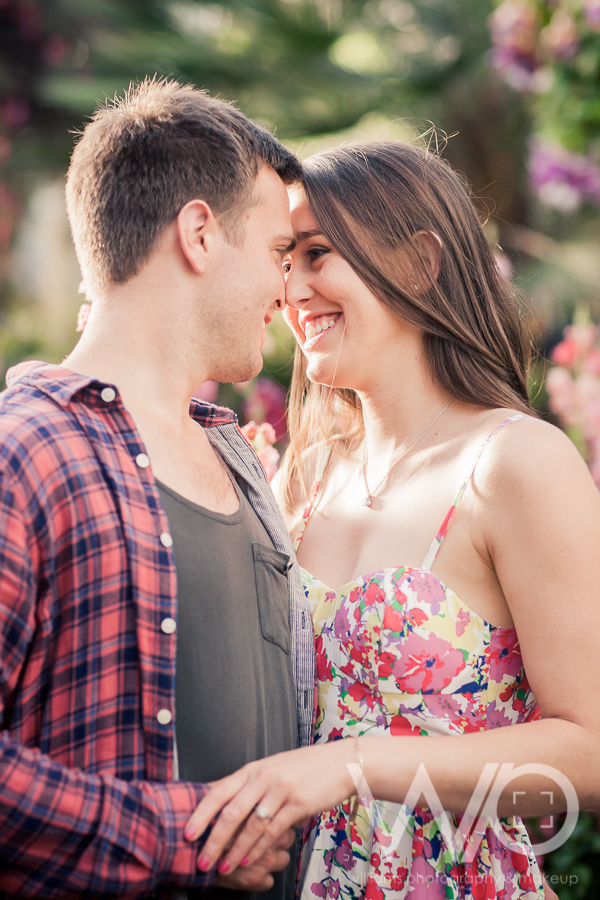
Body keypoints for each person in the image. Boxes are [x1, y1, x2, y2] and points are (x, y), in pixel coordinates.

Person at [182, 141, 600, 899]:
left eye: (316, 254)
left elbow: (592, 759)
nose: (291, 290)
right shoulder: (305, 476)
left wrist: (355, 765)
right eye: (284, 260)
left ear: (417, 262)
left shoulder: (514, 464)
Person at [0, 77, 315, 898]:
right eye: (280, 254)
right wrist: (189, 839)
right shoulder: (24, 453)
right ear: (200, 235)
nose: (288, 292)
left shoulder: (236, 451)